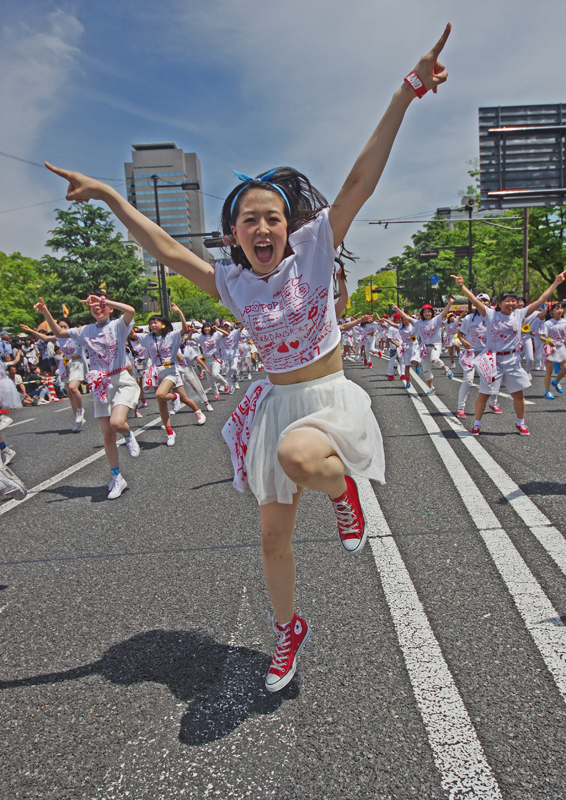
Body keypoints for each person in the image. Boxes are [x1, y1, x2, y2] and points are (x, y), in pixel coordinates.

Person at [43, 22, 451, 691]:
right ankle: (288, 632)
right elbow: (166, 250)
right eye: (249, 220)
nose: (262, 228)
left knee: (301, 456)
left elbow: (358, 181)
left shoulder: (316, 249)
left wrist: (407, 91)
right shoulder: (231, 279)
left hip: (326, 399)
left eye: (273, 218)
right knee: (271, 539)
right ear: (233, 232)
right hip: (275, 403)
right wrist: (113, 196)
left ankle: (344, 489)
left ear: (289, 225)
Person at [33, 295, 141, 499]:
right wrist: (45, 312)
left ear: (108, 308)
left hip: (120, 379)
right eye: (94, 307)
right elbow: (59, 333)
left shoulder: (119, 325)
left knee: (117, 423)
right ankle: (117, 477)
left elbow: (131, 310)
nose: (97, 309)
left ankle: (127, 434)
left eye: (101, 307)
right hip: (100, 383)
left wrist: (105, 301)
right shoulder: (85, 330)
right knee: (107, 434)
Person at [451, 274, 566, 435]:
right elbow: (475, 301)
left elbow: (541, 300)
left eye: (513, 300)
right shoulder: (490, 314)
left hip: (512, 360)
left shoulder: (519, 314)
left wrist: (556, 283)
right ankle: (477, 423)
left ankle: (521, 423)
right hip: (494, 360)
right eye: (507, 300)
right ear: (499, 303)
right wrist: (462, 286)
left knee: (518, 394)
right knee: (484, 394)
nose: (511, 303)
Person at [135, 305, 206, 445]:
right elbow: (131, 334)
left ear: (163, 324)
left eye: (155, 322)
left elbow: (184, 330)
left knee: (166, 396)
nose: (152, 325)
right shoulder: (147, 337)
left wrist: (179, 312)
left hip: (171, 371)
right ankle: (170, 432)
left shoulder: (172, 335)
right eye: (151, 323)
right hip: (156, 372)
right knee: (161, 404)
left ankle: (197, 411)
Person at [21, 321, 86, 431]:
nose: (62, 328)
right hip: (66, 364)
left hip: (78, 363)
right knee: (69, 394)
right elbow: (45, 338)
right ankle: (78, 418)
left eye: (64, 326)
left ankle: (80, 410)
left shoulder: (76, 334)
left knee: (73, 387)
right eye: (60, 326)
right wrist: (31, 330)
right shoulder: (59, 337)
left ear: (69, 327)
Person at [393, 298, 454, 395]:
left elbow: (444, 312)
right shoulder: (419, 323)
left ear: (432, 313)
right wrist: (398, 310)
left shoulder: (436, 320)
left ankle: (446, 369)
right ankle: (431, 387)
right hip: (424, 347)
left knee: (434, 359)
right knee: (426, 369)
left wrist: (449, 303)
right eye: (425, 312)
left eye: (429, 312)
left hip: (435, 345)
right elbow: (408, 318)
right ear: (422, 314)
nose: (427, 314)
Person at [455, 295, 501, 418]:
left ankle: (493, 403)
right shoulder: (469, 318)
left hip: (487, 353)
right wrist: (463, 341)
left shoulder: (495, 318)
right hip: (472, 353)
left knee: (492, 378)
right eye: (480, 301)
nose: (483, 303)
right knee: (468, 380)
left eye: (486, 300)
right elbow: (460, 333)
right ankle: (460, 407)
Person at [540, 302, 566, 399]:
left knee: (565, 368)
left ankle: (556, 381)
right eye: (557, 308)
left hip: (561, 347)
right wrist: (548, 340)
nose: (560, 310)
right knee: (549, 370)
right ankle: (547, 391)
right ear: (552, 312)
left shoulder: (564, 322)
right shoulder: (548, 323)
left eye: (561, 308)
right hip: (549, 348)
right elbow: (541, 337)